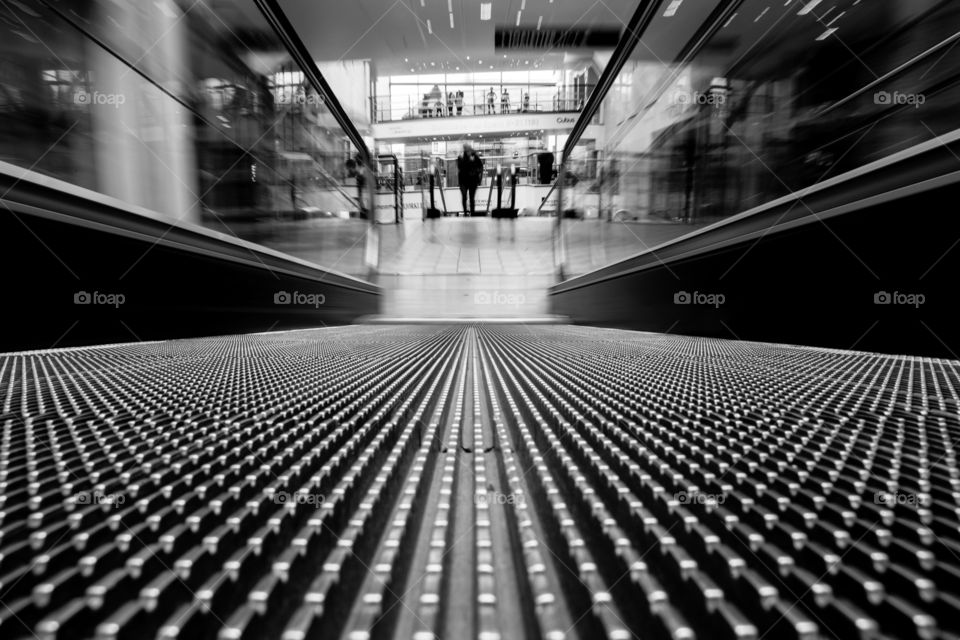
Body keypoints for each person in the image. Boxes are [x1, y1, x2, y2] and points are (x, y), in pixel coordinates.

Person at [457, 144, 484, 216]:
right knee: (464, 196)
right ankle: (465, 212)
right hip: (463, 180)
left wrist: (477, 174)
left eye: (469, 150)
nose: (468, 151)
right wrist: (468, 161)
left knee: (472, 197)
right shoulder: (461, 157)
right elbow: (460, 167)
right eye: (466, 150)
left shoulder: (475, 156)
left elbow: (480, 167)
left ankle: (472, 213)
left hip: (473, 180)